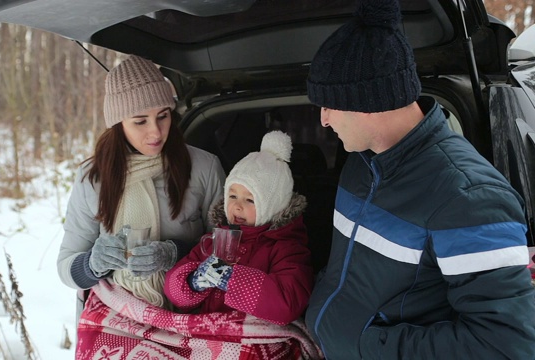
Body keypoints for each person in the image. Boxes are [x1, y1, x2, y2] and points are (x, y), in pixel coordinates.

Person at [304, 0, 535, 359]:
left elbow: (505, 345)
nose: (324, 120)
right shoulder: (361, 164)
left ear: (368, 101)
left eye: (329, 105)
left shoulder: (468, 198)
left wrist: (369, 346)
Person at [56, 55, 226, 318]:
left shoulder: (204, 167)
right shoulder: (92, 178)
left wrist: (176, 253)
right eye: (140, 121)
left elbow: (228, 250)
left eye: (163, 116)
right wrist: (92, 265)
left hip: (192, 310)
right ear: (118, 123)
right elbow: (66, 266)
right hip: (120, 313)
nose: (156, 132)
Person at [164, 130, 314, 326]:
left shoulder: (287, 247)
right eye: (232, 196)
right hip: (210, 332)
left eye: (250, 200)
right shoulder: (216, 239)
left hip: (254, 334)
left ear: (273, 205)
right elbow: (172, 288)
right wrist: (193, 282)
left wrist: (231, 280)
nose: (237, 206)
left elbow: (288, 303)